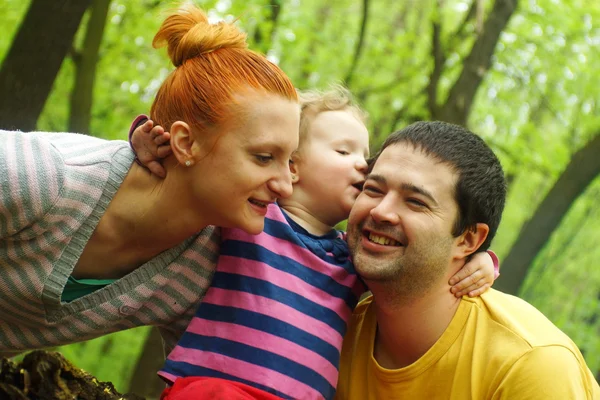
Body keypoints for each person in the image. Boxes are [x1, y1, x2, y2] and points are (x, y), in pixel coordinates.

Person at [130, 88, 499, 400]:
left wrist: (479, 261)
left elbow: (417, 267)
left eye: (364, 155)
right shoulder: (253, 217)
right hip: (218, 387)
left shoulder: (353, 258)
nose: (363, 166)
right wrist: (149, 142)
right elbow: (201, 168)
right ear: (291, 165)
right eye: (344, 152)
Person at [0, 4, 300, 358]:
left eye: (290, 161)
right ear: (186, 143)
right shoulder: (42, 176)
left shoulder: (201, 272)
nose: (285, 186)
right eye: (264, 158)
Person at [336, 121, 600, 399]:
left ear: (468, 240)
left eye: (416, 202)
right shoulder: (333, 327)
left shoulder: (529, 364)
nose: (381, 211)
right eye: (373, 189)